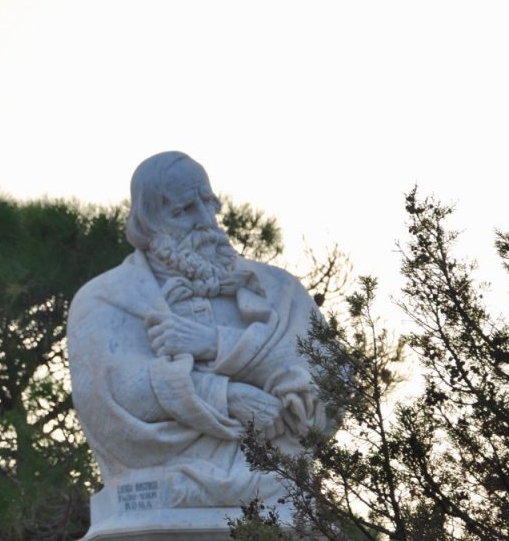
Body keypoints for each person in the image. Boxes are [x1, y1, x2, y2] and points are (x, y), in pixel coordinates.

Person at [67, 151, 331, 507]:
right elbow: (113, 392)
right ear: (147, 222)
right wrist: (227, 397)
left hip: (279, 496)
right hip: (155, 502)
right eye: (183, 210)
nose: (206, 221)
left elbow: (328, 376)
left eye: (208, 204)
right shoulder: (105, 299)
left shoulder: (280, 291)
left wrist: (215, 342)